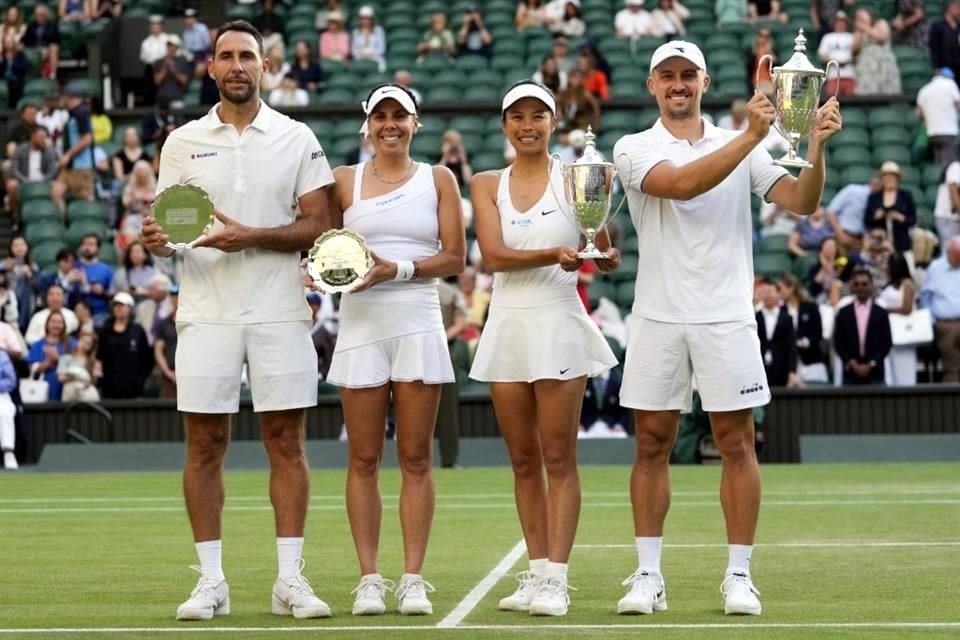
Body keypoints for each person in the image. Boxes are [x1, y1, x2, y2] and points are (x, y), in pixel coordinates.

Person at [611, 40, 840, 616]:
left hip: (727, 315)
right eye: (668, 76)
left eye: (689, 75)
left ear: (705, 83)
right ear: (653, 85)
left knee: (737, 443)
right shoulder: (632, 147)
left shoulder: (747, 140)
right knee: (651, 445)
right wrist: (751, 134)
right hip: (658, 316)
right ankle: (647, 576)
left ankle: (739, 575)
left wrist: (815, 144)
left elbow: (801, 201)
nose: (679, 84)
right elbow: (683, 185)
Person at [140, 20, 338, 621]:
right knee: (205, 445)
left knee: (287, 443)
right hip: (206, 313)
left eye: (247, 56)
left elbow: (320, 225)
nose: (236, 65)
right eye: (225, 55)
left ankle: (288, 581)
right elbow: (169, 226)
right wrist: (156, 239)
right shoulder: (180, 142)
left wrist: (245, 237)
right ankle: (211, 582)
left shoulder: (297, 136)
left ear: (265, 67)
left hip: (279, 310)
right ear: (210, 68)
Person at [469, 81, 619, 616]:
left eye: (538, 115)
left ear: (553, 122)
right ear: (505, 125)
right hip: (508, 321)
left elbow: (600, 243)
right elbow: (492, 256)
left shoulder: (578, 178)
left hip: (558, 318)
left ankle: (557, 577)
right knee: (523, 460)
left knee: (559, 456)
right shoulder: (487, 182)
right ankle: (535, 573)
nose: (527, 125)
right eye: (517, 116)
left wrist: (601, 249)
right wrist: (555, 252)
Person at [324, 84, 465, 616]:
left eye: (399, 116)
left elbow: (454, 257)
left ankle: (411, 577)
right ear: (368, 124)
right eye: (380, 116)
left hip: (418, 321)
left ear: (415, 123)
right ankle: (369, 578)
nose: (390, 124)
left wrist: (397, 269)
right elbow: (324, 248)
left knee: (415, 457)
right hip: (361, 325)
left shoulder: (439, 179)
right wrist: (320, 276)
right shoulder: (343, 181)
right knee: (362, 458)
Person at [833, 267, 892, 385]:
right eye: (857, 284)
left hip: (876, 372)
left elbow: (886, 342)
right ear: (852, 287)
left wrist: (871, 364)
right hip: (850, 373)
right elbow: (838, 342)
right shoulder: (844, 312)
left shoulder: (881, 313)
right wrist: (852, 363)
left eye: (864, 284)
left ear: (871, 286)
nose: (861, 287)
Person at [96, 292, 152, 398]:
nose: (118, 308)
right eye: (116, 305)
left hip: (134, 389)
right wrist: (102, 380)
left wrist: (140, 379)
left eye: (122, 305)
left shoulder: (138, 331)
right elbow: (100, 358)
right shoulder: (105, 331)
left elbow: (147, 359)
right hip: (110, 389)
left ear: (130, 308)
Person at [919, 237, 960, 382]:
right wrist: (930, 321)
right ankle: (952, 395)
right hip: (944, 323)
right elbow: (925, 297)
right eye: (955, 257)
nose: (957, 261)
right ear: (948, 253)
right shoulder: (936, 268)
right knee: (953, 362)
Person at [864, 161, 916, 269]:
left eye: (892, 177)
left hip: (901, 243)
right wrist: (876, 216)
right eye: (886, 177)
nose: (889, 180)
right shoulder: (874, 198)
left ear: (897, 179)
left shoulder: (906, 196)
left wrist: (901, 218)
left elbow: (912, 219)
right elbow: (867, 221)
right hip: (880, 246)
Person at [777, 274, 827, 383]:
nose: (778, 292)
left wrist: (804, 342)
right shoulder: (780, 310)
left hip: (811, 361)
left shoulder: (811, 307)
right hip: (789, 364)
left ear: (791, 288)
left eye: (780, 288)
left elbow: (818, 333)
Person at [875, 253, 916, 385]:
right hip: (888, 331)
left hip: (903, 332)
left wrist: (884, 311)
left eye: (888, 265)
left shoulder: (907, 284)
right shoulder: (889, 285)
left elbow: (907, 308)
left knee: (904, 370)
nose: (886, 268)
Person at [755, 278, 799, 387]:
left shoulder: (787, 318)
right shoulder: (755, 317)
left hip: (781, 368)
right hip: (759, 369)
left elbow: (791, 345)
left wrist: (792, 371)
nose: (768, 295)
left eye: (771, 292)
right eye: (765, 292)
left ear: (779, 295)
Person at [26, 310, 76, 401]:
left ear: (64, 325)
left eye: (59, 322)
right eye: (53, 322)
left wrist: (57, 359)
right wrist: (47, 362)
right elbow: (32, 368)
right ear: (47, 324)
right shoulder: (38, 345)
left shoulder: (71, 343)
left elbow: (76, 365)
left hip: (65, 387)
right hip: (42, 386)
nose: (56, 325)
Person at [915, 68, 960, 168]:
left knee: (939, 164)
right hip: (949, 132)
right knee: (951, 166)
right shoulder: (950, 85)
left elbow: (918, 114)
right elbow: (958, 105)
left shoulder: (924, 89)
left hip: (932, 133)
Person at [852, 7, 900, 96]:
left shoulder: (881, 23)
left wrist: (865, 28)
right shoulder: (860, 31)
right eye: (857, 17)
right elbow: (854, 48)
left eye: (862, 15)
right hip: (866, 67)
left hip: (883, 64)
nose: (860, 18)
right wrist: (859, 32)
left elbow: (881, 37)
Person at [57, 331, 100, 402]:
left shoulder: (94, 362)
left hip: (87, 394)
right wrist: (77, 376)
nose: (83, 344)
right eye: (82, 340)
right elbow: (61, 378)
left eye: (88, 343)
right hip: (69, 394)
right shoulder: (65, 358)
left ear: (91, 347)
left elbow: (94, 381)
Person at [933, 159, 960, 242]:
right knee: (949, 252)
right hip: (948, 218)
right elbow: (953, 192)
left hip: (955, 219)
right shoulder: (956, 166)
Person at [0, 347, 16, 469]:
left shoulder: (2, 355)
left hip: (1, 394)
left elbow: (11, 381)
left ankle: (8, 452)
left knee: (5, 411)